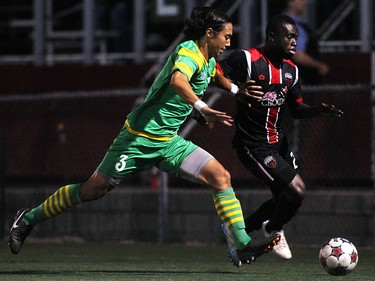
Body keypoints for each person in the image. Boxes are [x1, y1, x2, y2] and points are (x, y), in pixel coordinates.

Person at [8, 6, 280, 265]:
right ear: (209, 32)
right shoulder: (188, 52)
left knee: (220, 177)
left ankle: (242, 243)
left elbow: (213, 76)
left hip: (169, 143)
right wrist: (202, 107)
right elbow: (178, 81)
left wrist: (234, 90)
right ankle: (28, 220)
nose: (229, 43)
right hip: (137, 140)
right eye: (227, 36)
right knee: (93, 190)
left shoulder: (208, 59)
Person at [217, 14, 343, 264]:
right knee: (296, 191)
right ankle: (273, 229)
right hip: (253, 146)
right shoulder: (248, 59)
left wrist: (317, 110)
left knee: (284, 200)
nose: (295, 42)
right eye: (289, 37)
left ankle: (237, 231)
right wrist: (234, 89)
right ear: (272, 37)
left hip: (279, 144)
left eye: (296, 37)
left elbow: (296, 109)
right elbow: (212, 71)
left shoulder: (291, 71)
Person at [284, 0, 329, 84]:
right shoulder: (293, 26)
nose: (304, 3)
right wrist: (319, 66)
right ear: (291, 2)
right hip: (300, 81)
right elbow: (298, 55)